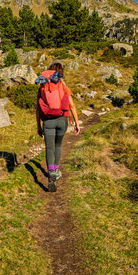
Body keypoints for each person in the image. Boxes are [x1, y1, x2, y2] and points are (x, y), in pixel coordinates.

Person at [35, 62, 80, 192]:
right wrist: (77, 123)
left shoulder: (43, 86)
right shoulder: (63, 86)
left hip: (48, 121)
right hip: (62, 121)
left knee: (49, 147)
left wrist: (38, 125)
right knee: (58, 145)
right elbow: (72, 106)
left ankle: (51, 174)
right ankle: (56, 170)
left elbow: (38, 108)